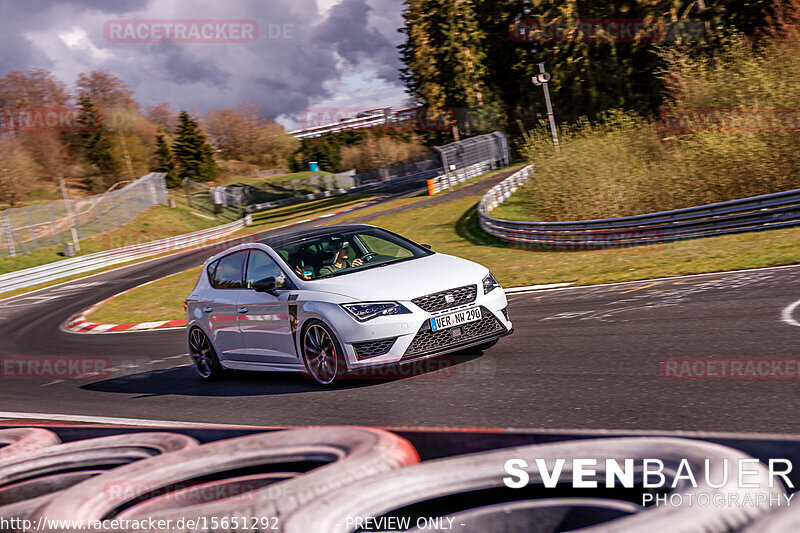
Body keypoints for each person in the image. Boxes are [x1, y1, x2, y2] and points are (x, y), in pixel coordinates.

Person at [295, 241, 362, 279]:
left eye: (347, 247)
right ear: (334, 250)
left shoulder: (351, 264)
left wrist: (359, 268)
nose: (347, 250)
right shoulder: (325, 270)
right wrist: (351, 269)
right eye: (343, 248)